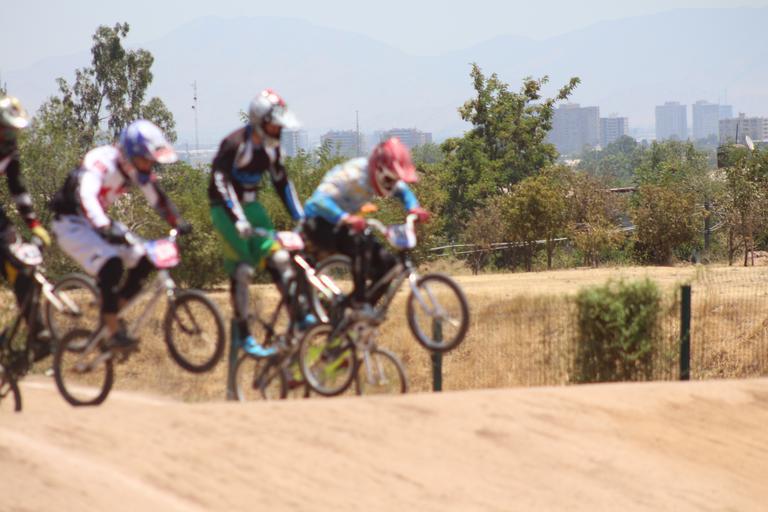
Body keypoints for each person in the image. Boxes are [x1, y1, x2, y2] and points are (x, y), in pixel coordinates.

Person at [51, 119, 190, 352]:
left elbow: (156, 197)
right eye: (145, 159)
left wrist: (177, 221)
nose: (149, 165)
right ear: (131, 153)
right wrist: (104, 226)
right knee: (112, 265)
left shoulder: (134, 168)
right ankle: (113, 331)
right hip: (71, 224)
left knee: (145, 259)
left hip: (97, 222)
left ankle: (112, 310)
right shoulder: (101, 161)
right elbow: (86, 196)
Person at [208, 88, 308, 357]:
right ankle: (244, 335)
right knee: (243, 271)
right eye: (274, 124)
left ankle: (299, 318)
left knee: (280, 259)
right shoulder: (235, 144)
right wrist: (237, 218)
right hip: (225, 210)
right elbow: (220, 183)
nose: (279, 130)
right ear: (260, 121)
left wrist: (301, 218)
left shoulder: (272, 149)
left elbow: (282, 183)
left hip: (253, 207)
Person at [303, 137, 430, 310]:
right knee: (359, 244)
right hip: (318, 223)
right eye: (390, 181)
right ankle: (359, 300)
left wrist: (413, 208)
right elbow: (318, 201)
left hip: (346, 225)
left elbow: (403, 191)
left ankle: (360, 312)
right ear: (378, 170)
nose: (393, 186)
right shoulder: (352, 175)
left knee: (388, 265)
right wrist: (344, 217)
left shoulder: (384, 176)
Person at [0, 95, 53, 360]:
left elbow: (18, 189)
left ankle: (37, 334)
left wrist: (34, 224)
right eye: (8, 130)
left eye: (15, 131)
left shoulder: (10, 152)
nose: (13, 137)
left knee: (22, 268)